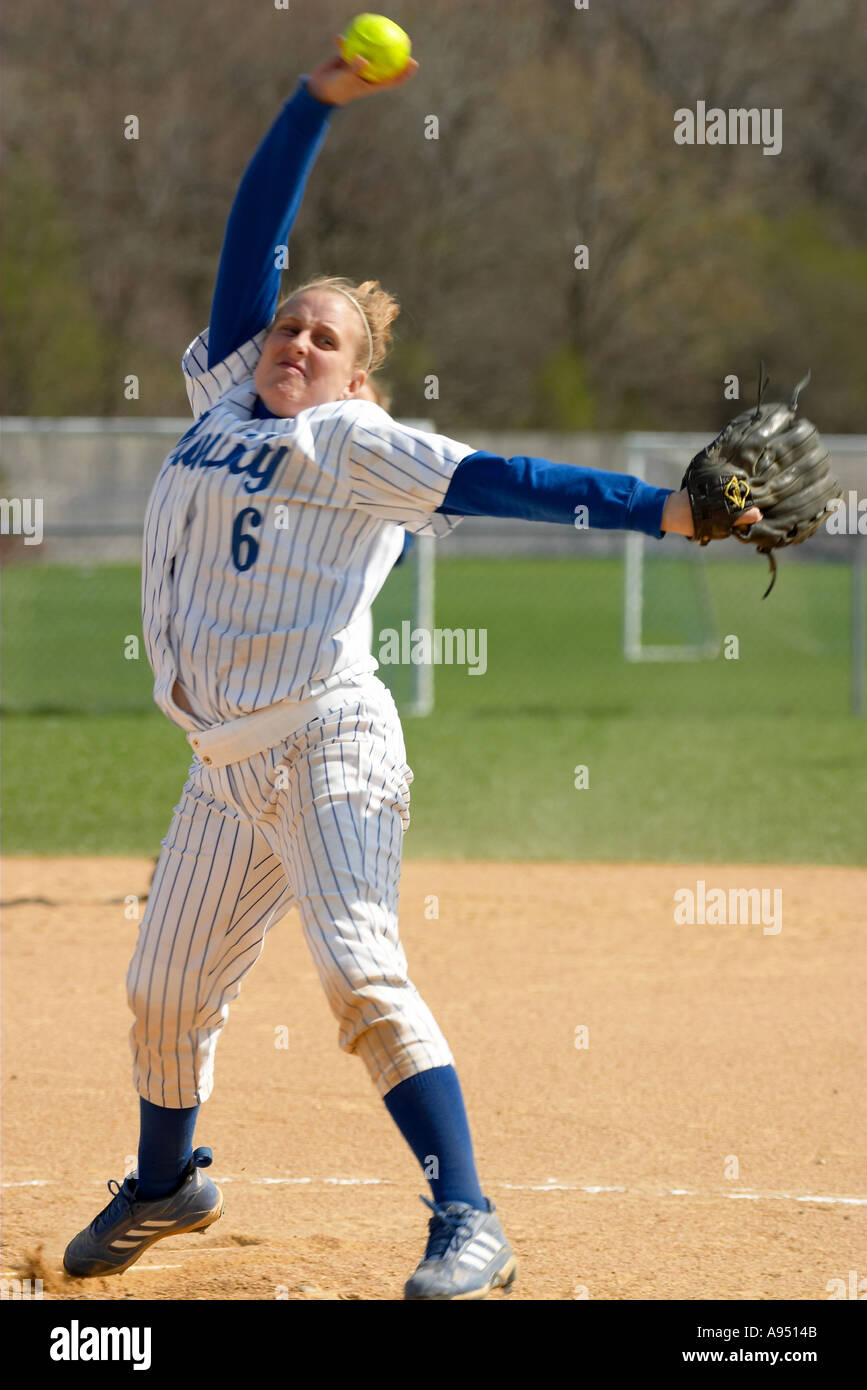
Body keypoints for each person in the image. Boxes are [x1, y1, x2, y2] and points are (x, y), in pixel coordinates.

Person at [62, 39, 759, 1301]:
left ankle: (470, 1221)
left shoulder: (355, 443)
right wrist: (312, 99)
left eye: (323, 338)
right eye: (288, 325)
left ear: (359, 375)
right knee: (161, 993)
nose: (295, 341)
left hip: (329, 738)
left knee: (357, 969)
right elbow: (253, 234)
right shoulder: (227, 398)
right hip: (222, 767)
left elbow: (510, 482)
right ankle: (169, 1182)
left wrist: (669, 512)